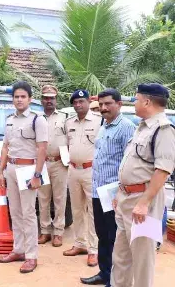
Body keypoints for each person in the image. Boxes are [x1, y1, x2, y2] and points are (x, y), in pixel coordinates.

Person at [111, 83, 175, 287]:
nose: (135, 102)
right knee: (120, 258)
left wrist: (144, 202)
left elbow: (163, 170)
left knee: (142, 260)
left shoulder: (164, 130)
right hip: (125, 199)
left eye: (136, 99)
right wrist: (119, 193)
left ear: (147, 101)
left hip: (143, 203)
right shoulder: (142, 127)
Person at [80, 89, 135, 286]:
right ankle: (104, 273)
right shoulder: (103, 126)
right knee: (102, 235)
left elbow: (128, 162)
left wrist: (119, 192)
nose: (103, 108)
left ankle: (115, 279)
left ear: (119, 104)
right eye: (101, 104)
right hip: (97, 191)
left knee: (114, 237)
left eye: (108, 104)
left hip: (114, 193)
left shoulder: (127, 127)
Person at [0, 81, 48, 273]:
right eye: (16, 97)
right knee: (15, 212)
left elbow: (42, 149)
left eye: (23, 96)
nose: (19, 100)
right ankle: (18, 249)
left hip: (28, 169)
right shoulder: (9, 119)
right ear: (13, 99)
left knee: (28, 214)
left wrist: (37, 175)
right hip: (11, 168)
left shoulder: (37, 119)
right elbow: (5, 147)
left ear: (30, 99)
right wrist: (1, 171)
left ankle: (31, 256)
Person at [64, 89, 102, 267]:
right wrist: (67, 163)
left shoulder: (98, 121)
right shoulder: (69, 122)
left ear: (88, 102)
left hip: (91, 170)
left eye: (81, 102)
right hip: (73, 170)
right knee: (77, 209)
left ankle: (93, 249)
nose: (78, 105)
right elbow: (66, 145)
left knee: (93, 210)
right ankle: (80, 243)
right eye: (75, 102)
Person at [38, 85, 68, 247]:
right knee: (43, 199)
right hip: (41, 163)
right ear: (41, 100)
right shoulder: (36, 118)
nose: (49, 101)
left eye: (51, 98)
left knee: (59, 199)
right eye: (46, 98)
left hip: (59, 163)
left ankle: (58, 232)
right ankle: (45, 231)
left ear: (56, 99)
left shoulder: (65, 118)